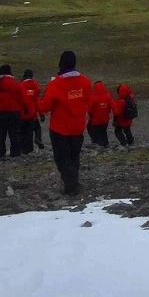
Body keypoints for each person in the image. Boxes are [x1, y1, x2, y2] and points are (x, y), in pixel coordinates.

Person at [37, 50, 93, 195]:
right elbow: (89, 101)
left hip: (60, 129)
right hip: (78, 127)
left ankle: (71, 185)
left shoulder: (56, 84)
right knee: (74, 156)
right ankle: (73, 183)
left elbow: (45, 107)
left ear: (61, 64)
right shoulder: (85, 82)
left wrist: (35, 99)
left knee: (62, 159)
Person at [0, 64, 25, 159]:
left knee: (0, 134)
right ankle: (15, 153)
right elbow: (22, 99)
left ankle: (0, 152)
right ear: (10, 72)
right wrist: (25, 110)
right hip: (14, 113)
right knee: (14, 133)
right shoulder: (17, 85)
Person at [19, 69, 44, 153]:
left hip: (22, 114)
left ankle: (23, 149)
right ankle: (36, 140)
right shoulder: (34, 86)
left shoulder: (20, 85)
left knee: (22, 132)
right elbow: (37, 101)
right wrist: (41, 113)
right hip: (32, 114)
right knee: (36, 129)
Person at [87, 81, 114, 148]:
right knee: (104, 132)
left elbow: (89, 110)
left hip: (96, 121)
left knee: (96, 133)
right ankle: (106, 144)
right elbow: (113, 106)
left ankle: (99, 145)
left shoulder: (93, 98)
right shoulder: (108, 96)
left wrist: (90, 116)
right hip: (105, 120)